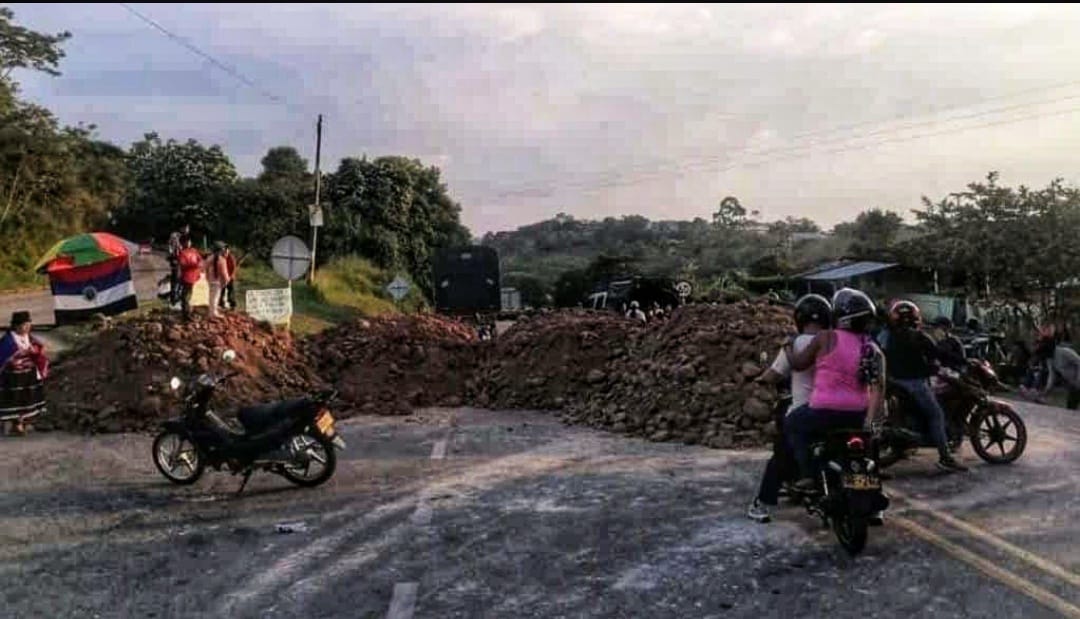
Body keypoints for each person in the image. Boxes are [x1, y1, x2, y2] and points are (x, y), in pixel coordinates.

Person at [784, 288, 887, 492]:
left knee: (792, 422)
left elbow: (798, 364)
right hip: (858, 415)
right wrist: (871, 422)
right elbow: (879, 388)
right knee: (870, 447)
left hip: (823, 412)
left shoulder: (826, 338)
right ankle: (874, 499)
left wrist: (787, 346)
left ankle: (808, 475)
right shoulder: (873, 348)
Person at [747, 293, 831, 523]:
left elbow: (775, 374)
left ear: (799, 318)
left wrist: (759, 380)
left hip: (803, 409)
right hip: (836, 410)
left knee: (780, 454)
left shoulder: (796, 343)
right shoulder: (834, 341)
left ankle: (763, 504)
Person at [881, 301, 968, 473]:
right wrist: (963, 361)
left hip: (894, 383)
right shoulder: (918, 336)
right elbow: (938, 354)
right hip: (915, 384)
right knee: (936, 415)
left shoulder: (888, 337)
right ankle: (945, 457)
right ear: (915, 318)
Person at [0, 312, 49, 435]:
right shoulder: (7, 341)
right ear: (16, 326)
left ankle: (23, 423)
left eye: (28, 325)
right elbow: (3, 357)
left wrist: (35, 351)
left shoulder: (30, 338)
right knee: (13, 400)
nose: (27, 328)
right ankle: (15, 425)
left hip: (28, 376)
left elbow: (38, 349)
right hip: (12, 378)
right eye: (24, 325)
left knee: (27, 399)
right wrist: (14, 358)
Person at [1039, 332, 1080, 409]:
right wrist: (1047, 390)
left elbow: (1079, 362)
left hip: (1077, 379)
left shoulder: (1064, 352)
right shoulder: (1050, 359)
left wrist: (1078, 379)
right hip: (1073, 384)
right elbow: (1052, 375)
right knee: (1071, 408)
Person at [177, 235, 204, 321]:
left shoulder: (194, 250)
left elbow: (200, 259)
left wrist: (199, 265)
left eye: (189, 241)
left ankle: (188, 312)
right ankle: (186, 313)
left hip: (195, 276)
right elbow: (183, 264)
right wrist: (195, 265)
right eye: (186, 242)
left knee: (189, 296)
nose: (188, 243)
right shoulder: (182, 253)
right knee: (186, 296)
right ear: (182, 243)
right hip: (187, 277)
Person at [204, 242, 230, 319]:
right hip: (218, 282)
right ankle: (213, 313)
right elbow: (224, 273)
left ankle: (212, 310)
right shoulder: (222, 260)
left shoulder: (210, 258)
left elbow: (205, 268)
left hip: (211, 280)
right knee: (215, 297)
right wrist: (226, 281)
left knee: (212, 297)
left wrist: (207, 277)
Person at [167, 224, 191, 305]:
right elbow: (173, 248)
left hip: (181, 260)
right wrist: (174, 258)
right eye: (187, 228)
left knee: (180, 279)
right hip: (177, 260)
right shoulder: (175, 236)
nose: (188, 230)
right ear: (182, 228)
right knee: (176, 279)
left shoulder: (183, 236)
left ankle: (177, 297)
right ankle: (174, 298)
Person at [218, 245, 238, 311]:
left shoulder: (231, 258)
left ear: (228, 251)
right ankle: (221, 304)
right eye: (224, 250)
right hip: (222, 278)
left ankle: (233, 305)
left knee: (231, 292)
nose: (225, 252)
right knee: (222, 292)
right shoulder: (221, 257)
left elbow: (233, 268)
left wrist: (230, 277)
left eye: (226, 250)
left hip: (230, 278)